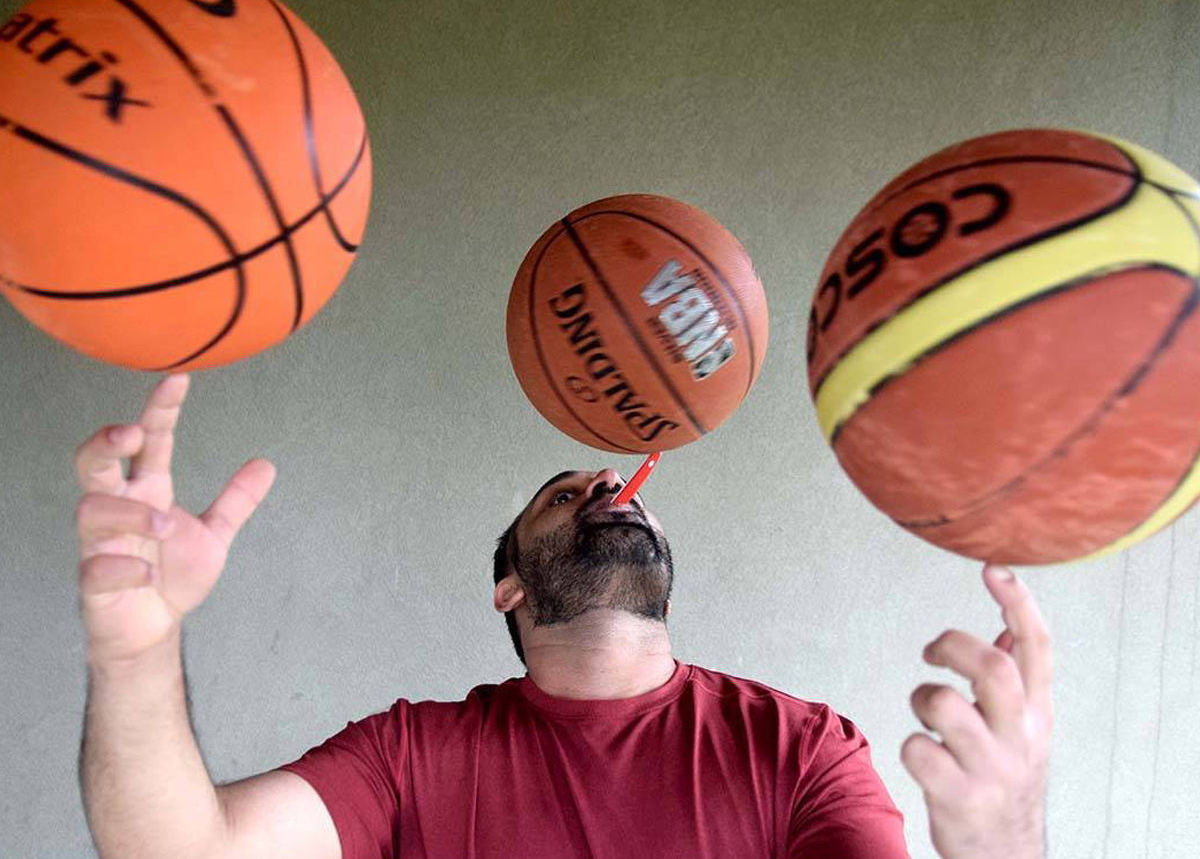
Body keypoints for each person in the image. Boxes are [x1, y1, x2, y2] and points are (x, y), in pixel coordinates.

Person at [77, 374, 1054, 859]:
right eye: (560, 494)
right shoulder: (411, 754)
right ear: (509, 589)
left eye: (617, 487)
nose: (602, 482)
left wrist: (1007, 841)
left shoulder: (797, 746)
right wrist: (136, 647)